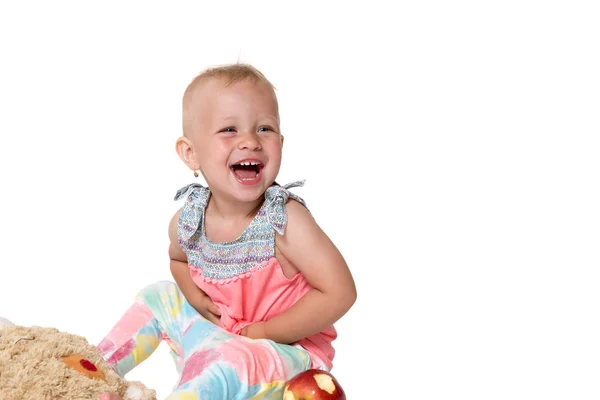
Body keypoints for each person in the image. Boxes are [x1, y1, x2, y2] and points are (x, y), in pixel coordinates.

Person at [97, 63, 357, 399]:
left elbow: (340, 292)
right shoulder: (189, 220)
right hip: (215, 337)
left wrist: (264, 331)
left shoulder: (285, 221)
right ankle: (95, 370)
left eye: (264, 129)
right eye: (229, 130)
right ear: (191, 154)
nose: (249, 141)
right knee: (157, 295)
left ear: (281, 142)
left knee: (225, 360)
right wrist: (195, 297)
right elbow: (177, 260)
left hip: (283, 355)